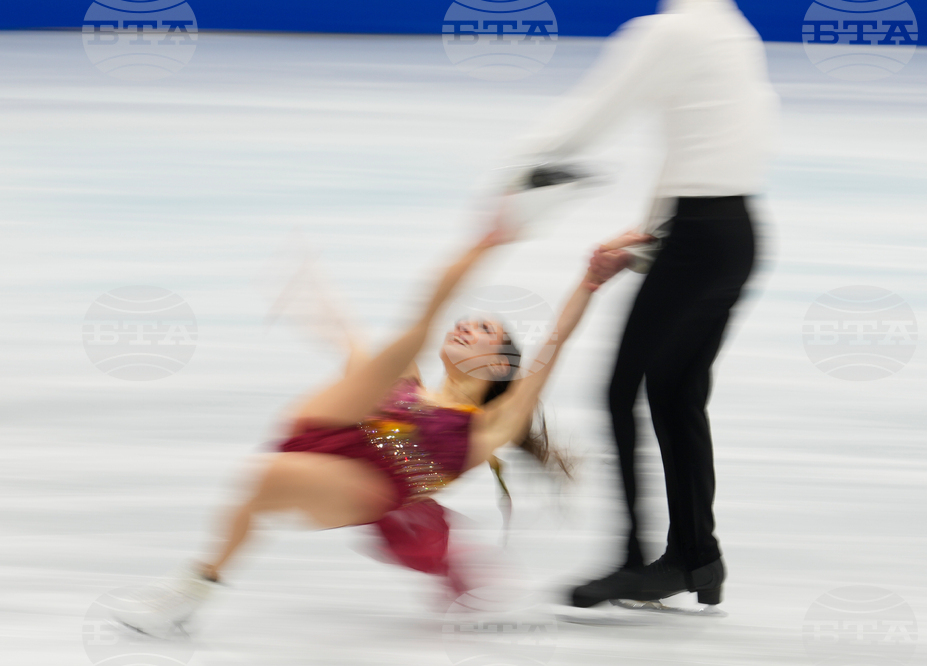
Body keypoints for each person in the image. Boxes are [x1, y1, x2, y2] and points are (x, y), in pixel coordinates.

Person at [108, 211, 647, 637]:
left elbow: (556, 343)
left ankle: (190, 594)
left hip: (380, 490)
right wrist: (316, 301)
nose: (468, 325)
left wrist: (591, 280)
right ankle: (190, 595)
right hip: (342, 447)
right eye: (466, 320)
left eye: (483, 329)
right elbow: (353, 343)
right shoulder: (406, 378)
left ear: (501, 364)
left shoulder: (494, 423)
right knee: (387, 361)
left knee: (269, 475)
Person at [499, 0, 779, 608]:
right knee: (676, 393)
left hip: (699, 238)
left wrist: (509, 170)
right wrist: (652, 238)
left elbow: (588, 119)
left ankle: (634, 559)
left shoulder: (669, 31)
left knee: (622, 390)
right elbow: (697, 150)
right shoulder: (734, 30)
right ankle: (697, 558)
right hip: (735, 232)